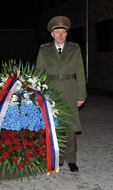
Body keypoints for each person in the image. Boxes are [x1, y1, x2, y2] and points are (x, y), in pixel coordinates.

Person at [36, 16, 87, 172]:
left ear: (66, 34)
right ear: (52, 34)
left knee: (70, 127)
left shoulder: (75, 49)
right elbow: (39, 73)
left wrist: (81, 95)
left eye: (63, 32)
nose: (60, 35)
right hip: (51, 93)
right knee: (55, 126)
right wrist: (39, 95)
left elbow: (80, 72)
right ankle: (57, 157)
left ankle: (71, 159)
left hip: (70, 90)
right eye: (57, 32)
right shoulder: (44, 49)